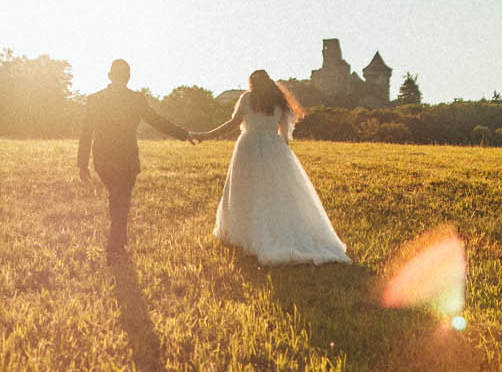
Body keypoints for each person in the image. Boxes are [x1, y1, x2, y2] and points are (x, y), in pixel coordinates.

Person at [193, 70, 350, 265]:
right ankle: (276, 231)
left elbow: (232, 124)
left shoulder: (247, 99)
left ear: (252, 84)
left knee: (244, 190)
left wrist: (206, 135)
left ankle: (245, 234)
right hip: (273, 148)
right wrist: (283, 157)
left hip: (248, 146)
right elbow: (284, 135)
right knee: (276, 193)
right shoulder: (279, 102)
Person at [78, 59, 195, 257]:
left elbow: (86, 132)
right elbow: (158, 122)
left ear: (109, 75)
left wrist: (82, 164)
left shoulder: (94, 99)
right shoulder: (136, 99)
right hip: (127, 159)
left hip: (103, 159)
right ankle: (114, 246)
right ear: (129, 77)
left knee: (118, 197)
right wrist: (185, 135)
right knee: (121, 198)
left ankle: (119, 240)